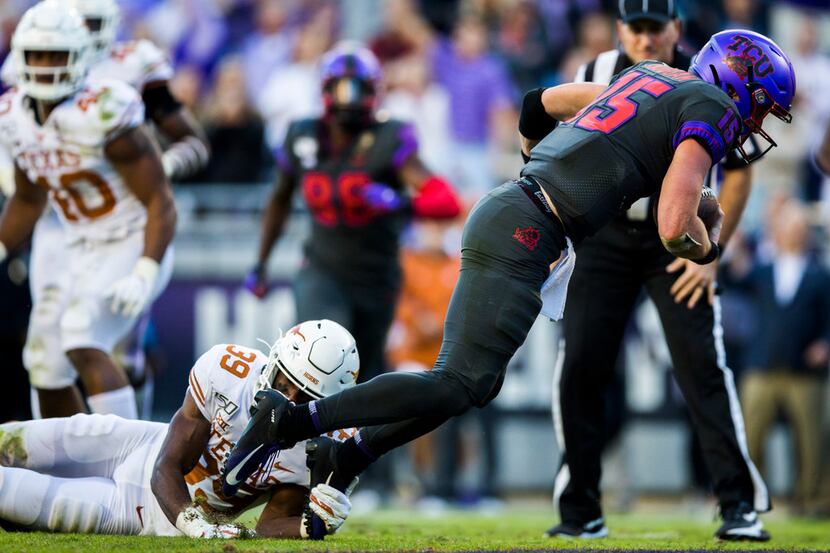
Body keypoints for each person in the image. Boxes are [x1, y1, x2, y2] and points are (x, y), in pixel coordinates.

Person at [224, 29, 796, 540]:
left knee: (478, 383)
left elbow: (538, 104)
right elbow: (673, 231)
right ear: (737, 82)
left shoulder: (649, 76)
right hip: (528, 227)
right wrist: (710, 240)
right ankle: (295, 422)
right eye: (763, 108)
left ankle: (344, 458)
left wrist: (535, 164)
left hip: (519, 212)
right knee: (457, 382)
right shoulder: (712, 105)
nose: (757, 123)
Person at [546, 0, 768, 540]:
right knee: (581, 366)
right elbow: (559, 142)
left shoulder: (712, 75)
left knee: (700, 366)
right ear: (621, 28)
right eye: (635, 28)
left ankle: (738, 504)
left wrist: (714, 252)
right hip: (603, 235)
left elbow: (738, 174)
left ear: (676, 27)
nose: (645, 39)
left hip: (678, 240)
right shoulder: (594, 74)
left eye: (654, 28)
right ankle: (580, 508)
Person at [0, 0, 208, 420]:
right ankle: (63, 463)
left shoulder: (106, 109)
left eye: (55, 55)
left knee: (82, 336)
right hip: (73, 240)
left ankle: (132, 460)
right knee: (44, 359)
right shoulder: (12, 116)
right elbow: (28, 197)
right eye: (36, 55)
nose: (44, 66)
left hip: (130, 236)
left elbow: (159, 199)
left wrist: (145, 268)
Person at [0, 319, 360, 538]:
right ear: (275, 359)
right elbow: (165, 467)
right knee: (11, 443)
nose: (289, 398)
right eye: (285, 383)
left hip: (141, 512)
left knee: (7, 493)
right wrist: (194, 523)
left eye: (305, 396)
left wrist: (309, 525)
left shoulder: (317, 447)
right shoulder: (229, 371)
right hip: (138, 446)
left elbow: (269, 526)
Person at [245, 44, 460, 389]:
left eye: (359, 88)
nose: (351, 98)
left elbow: (446, 200)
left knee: (365, 375)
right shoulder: (302, 134)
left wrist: (399, 204)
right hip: (322, 269)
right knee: (321, 356)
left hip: (376, 277)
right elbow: (279, 200)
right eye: (343, 88)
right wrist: (261, 262)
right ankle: (301, 437)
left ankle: (352, 444)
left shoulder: (389, 137)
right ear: (326, 90)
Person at [727, 199, 830, 515]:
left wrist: (825, 344)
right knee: (751, 436)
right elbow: (734, 275)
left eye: (800, 228)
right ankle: (753, 497)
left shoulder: (820, 274)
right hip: (762, 366)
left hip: (804, 371)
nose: (794, 233)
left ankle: (813, 501)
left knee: (812, 443)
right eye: (789, 227)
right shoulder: (763, 269)